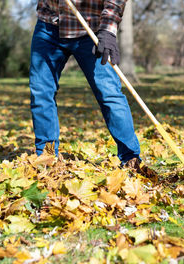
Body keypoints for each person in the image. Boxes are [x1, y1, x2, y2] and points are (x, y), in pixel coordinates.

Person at [30, 0, 142, 168]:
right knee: (41, 91)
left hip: (91, 29)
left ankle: (130, 158)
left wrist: (108, 30)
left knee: (109, 93)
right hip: (49, 24)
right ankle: (46, 157)